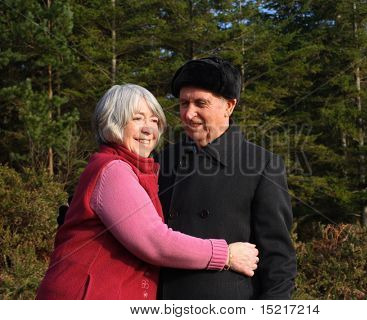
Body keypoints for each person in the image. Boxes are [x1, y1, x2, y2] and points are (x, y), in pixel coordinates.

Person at [36, 84, 258, 300]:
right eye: (137, 118)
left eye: (154, 120)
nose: (148, 128)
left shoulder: (139, 170)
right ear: (113, 122)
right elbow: (154, 242)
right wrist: (226, 255)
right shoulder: (114, 170)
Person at [157, 57, 297, 299]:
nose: (189, 114)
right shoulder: (163, 159)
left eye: (201, 103)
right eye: (183, 103)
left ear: (229, 106)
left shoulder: (262, 165)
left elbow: (278, 261)